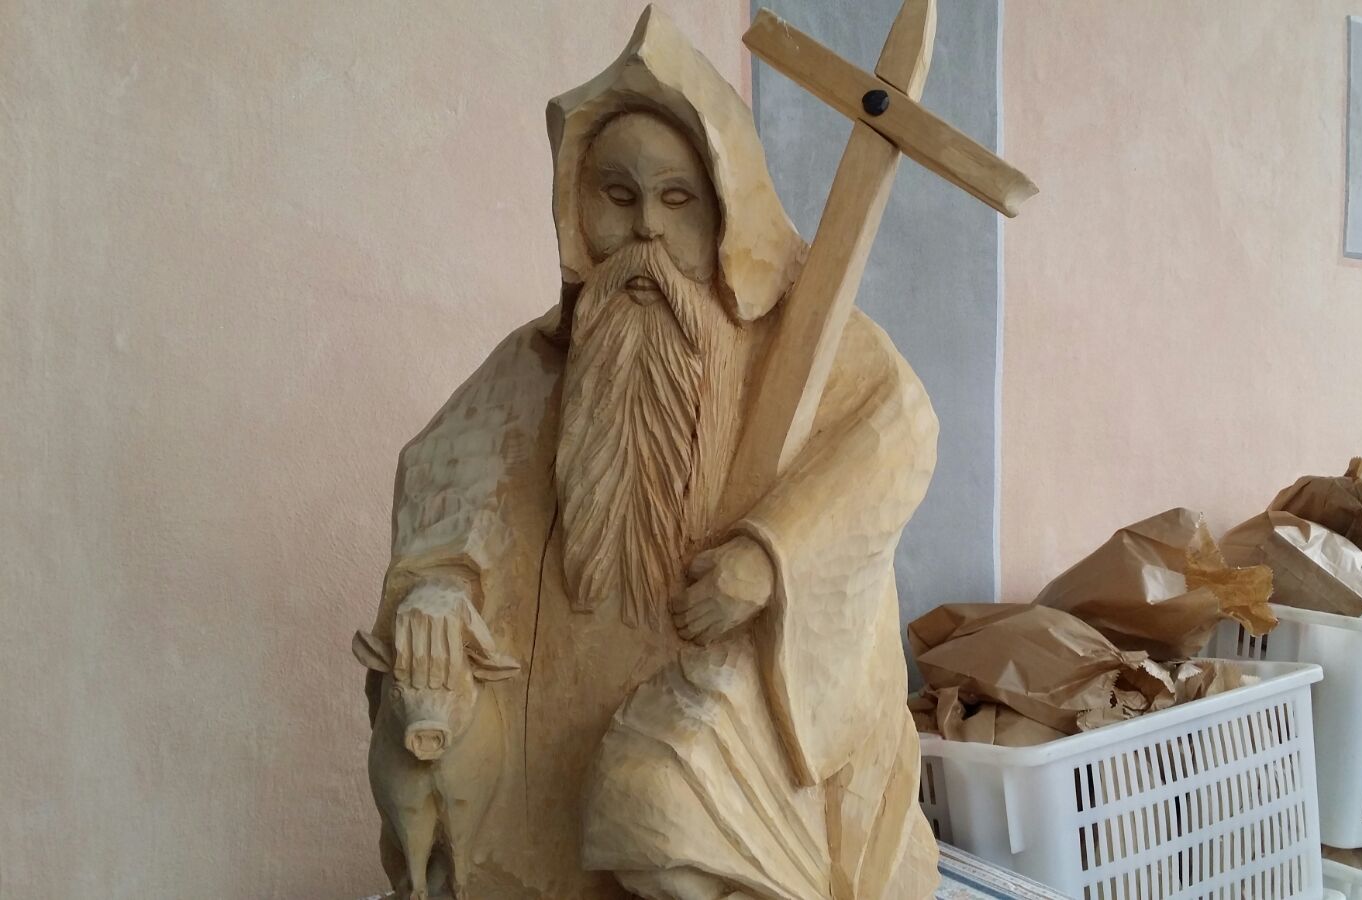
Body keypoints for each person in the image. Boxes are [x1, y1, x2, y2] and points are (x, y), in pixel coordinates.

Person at [358, 9, 939, 899]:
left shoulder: (813, 344)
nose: (646, 234)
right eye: (617, 197)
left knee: (654, 797)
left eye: (676, 201)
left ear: (724, 209)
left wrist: (770, 557)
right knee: (427, 726)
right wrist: (439, 587)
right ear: (577, 210)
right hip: (555, 701)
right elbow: (451, 483)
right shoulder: (538, 363)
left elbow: (896, 438)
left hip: (738, 682)